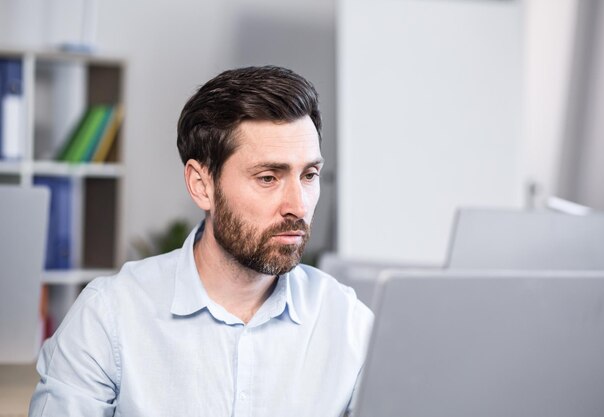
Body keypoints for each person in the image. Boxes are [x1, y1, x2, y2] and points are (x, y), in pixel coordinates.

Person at [29, 66, 373, 417]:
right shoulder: (109, 316)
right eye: (268, 177)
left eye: (309, 175)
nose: (298, 206)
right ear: (201, 184)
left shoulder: (349, 325)